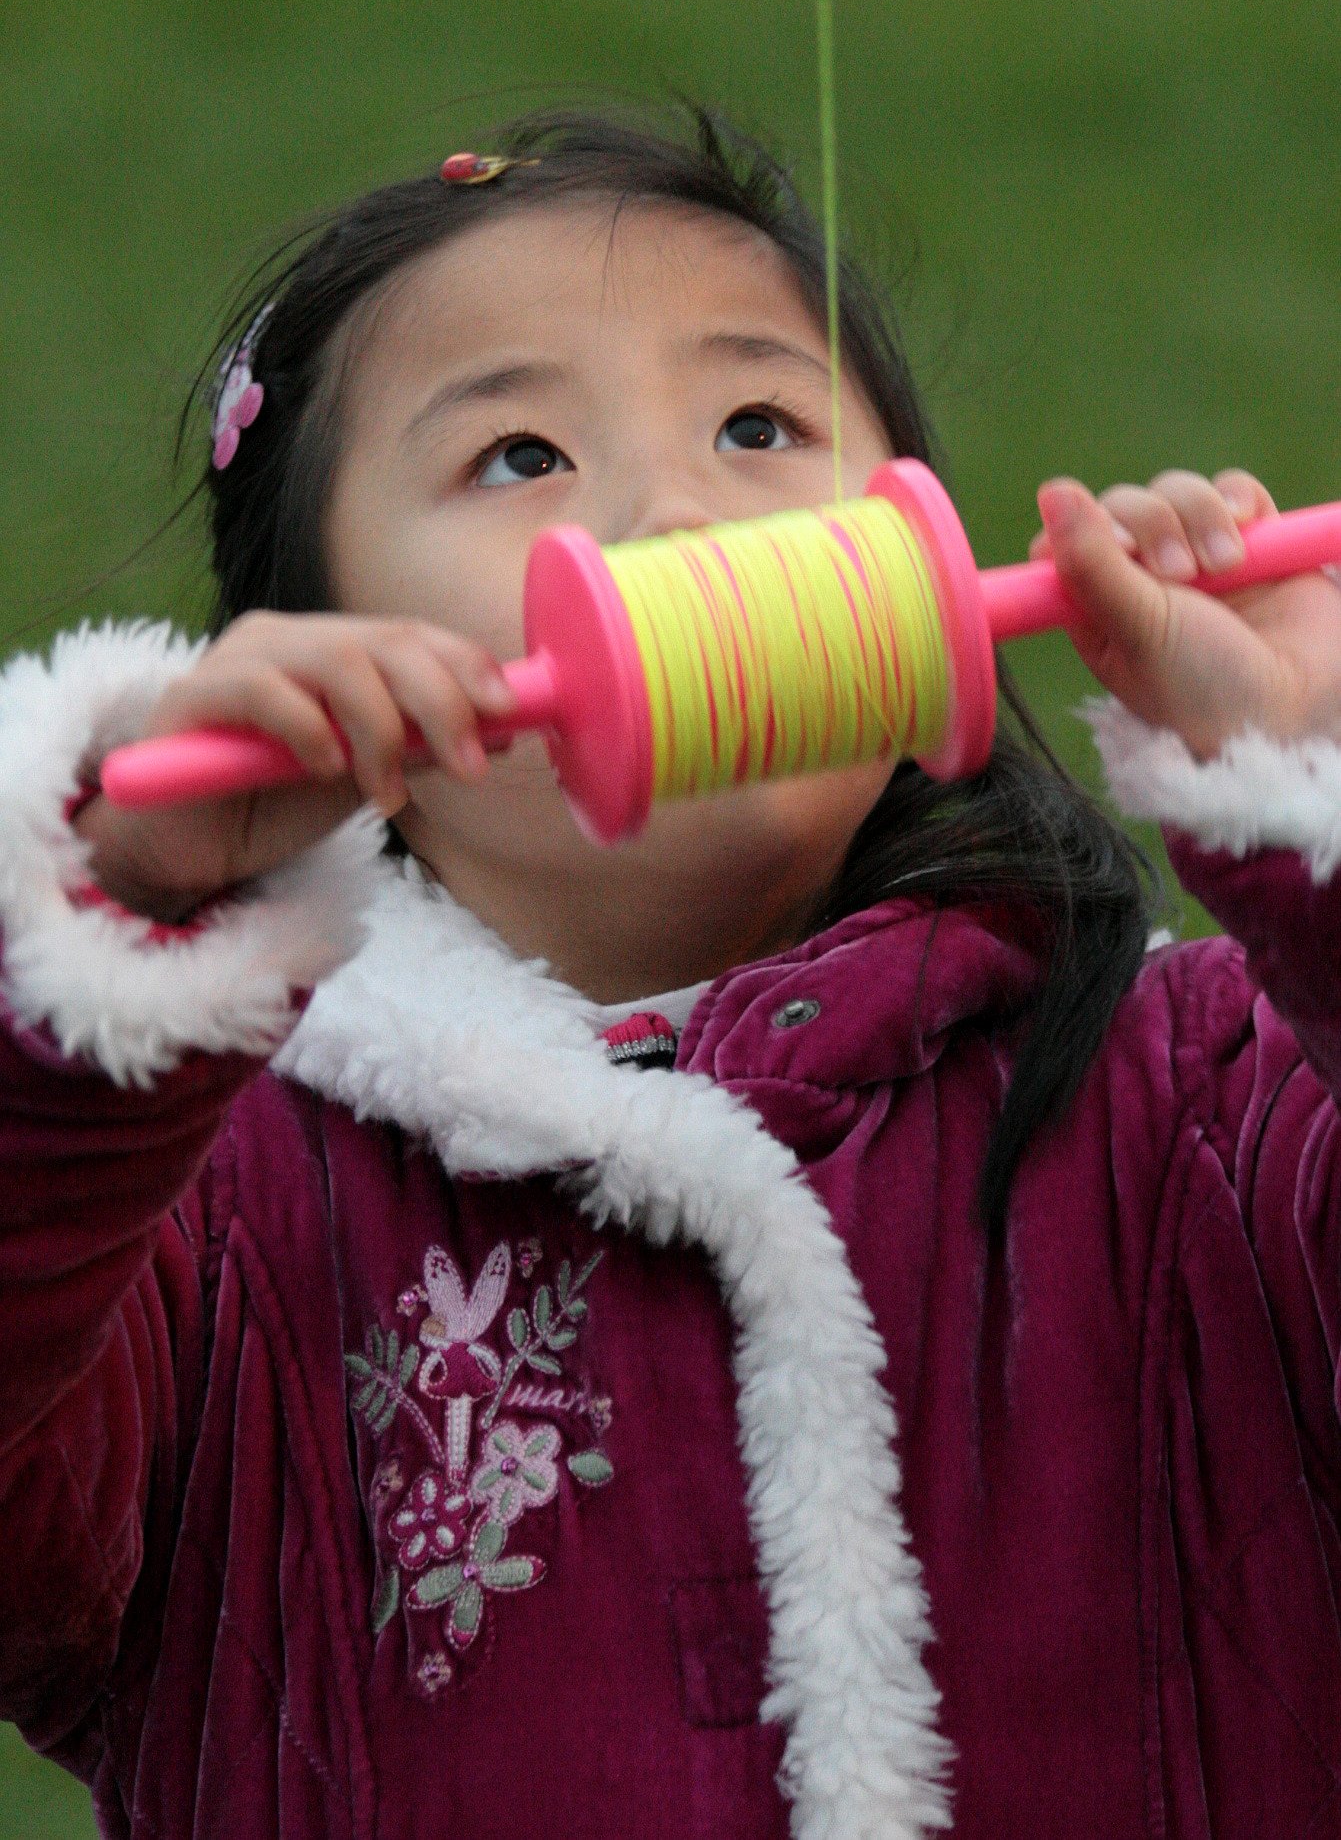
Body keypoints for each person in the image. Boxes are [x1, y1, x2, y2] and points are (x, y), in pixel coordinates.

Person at [1, 107, 1338, 1840]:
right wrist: (108, 949)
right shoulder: (196, 1226)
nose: (679, 509)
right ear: (312, 641)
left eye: (759, 423)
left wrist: (1304, 785)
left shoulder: (1221, 1106)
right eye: (519, 457)